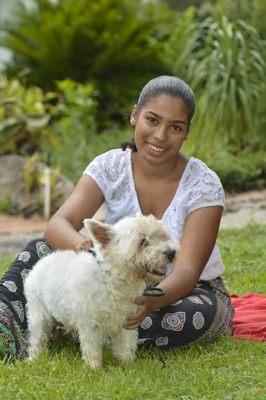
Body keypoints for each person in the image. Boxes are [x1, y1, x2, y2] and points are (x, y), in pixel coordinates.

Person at [0, 75, 234, 360]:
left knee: (187, 316)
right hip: (110, 281)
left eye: (175, 127)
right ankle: (8, 329)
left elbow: (186, 273)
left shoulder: (203, 184)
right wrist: (83, 249)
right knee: (38, 251)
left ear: (186, 132)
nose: (160, 135)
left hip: (185, 292)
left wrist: (145, 302)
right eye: (152, 120)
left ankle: (73, 325)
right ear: (135, 115)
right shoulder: (110, 167)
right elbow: (58, 225)